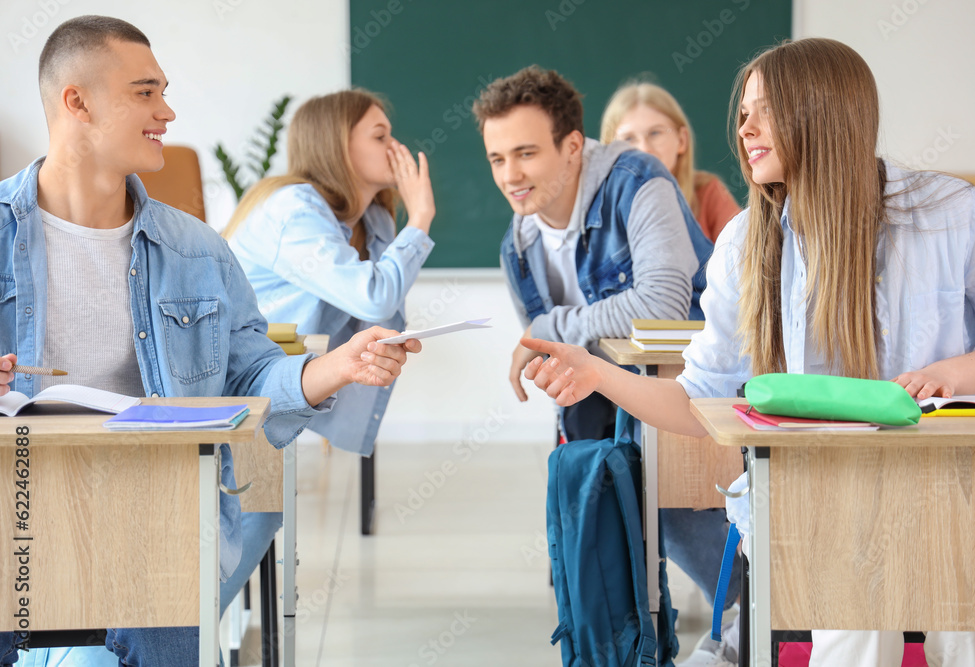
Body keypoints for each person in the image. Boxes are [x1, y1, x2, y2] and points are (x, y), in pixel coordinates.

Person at [522, 38, 975, 667]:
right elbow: (699, 402)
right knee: (851, 644)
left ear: (825, 111)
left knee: (970, 638)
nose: (744, 128)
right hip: (828, 501)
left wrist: (948, 373)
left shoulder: (950, 212)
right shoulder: (748, 240)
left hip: (955, 493)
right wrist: (597, 373)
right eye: (742, 111)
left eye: (765, 110)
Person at [0, 15, 418, 666]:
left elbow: (251, 377)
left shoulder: (196, 248)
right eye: (145, 92)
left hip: (154, 517)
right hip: (16, 510)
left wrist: (331, 367)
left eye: (163, 90)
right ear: (75, 101)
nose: (166, 110)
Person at [472, 65, 737, 657]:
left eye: (526, 153)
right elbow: (552, 356)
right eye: (496, 159)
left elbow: (664, 307)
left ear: (572, 145)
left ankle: (774, 622)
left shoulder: (636, 179)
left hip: (696, 395)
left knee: (682, 521)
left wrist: (551, 326)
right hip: (604, 411)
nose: (511, 176)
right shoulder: (517, 244)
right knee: (601, 516)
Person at [223, 90, 435, 456]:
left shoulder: (374, 219)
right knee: (258, 507)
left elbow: (385, 314)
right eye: (380, 135)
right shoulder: (293, 208)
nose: (394, 146)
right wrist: (420, 218)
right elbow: (376, 297)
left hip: (293, 371)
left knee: (271, 507)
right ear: (337, 145)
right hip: (246, 376)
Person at [600, 81, 742, 243]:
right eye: (629, 138)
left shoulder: (708, 193)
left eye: (655, 133)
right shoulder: (598, 212)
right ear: (610, 152)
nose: (644, 149)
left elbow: (744, 260)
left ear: (681, 140)